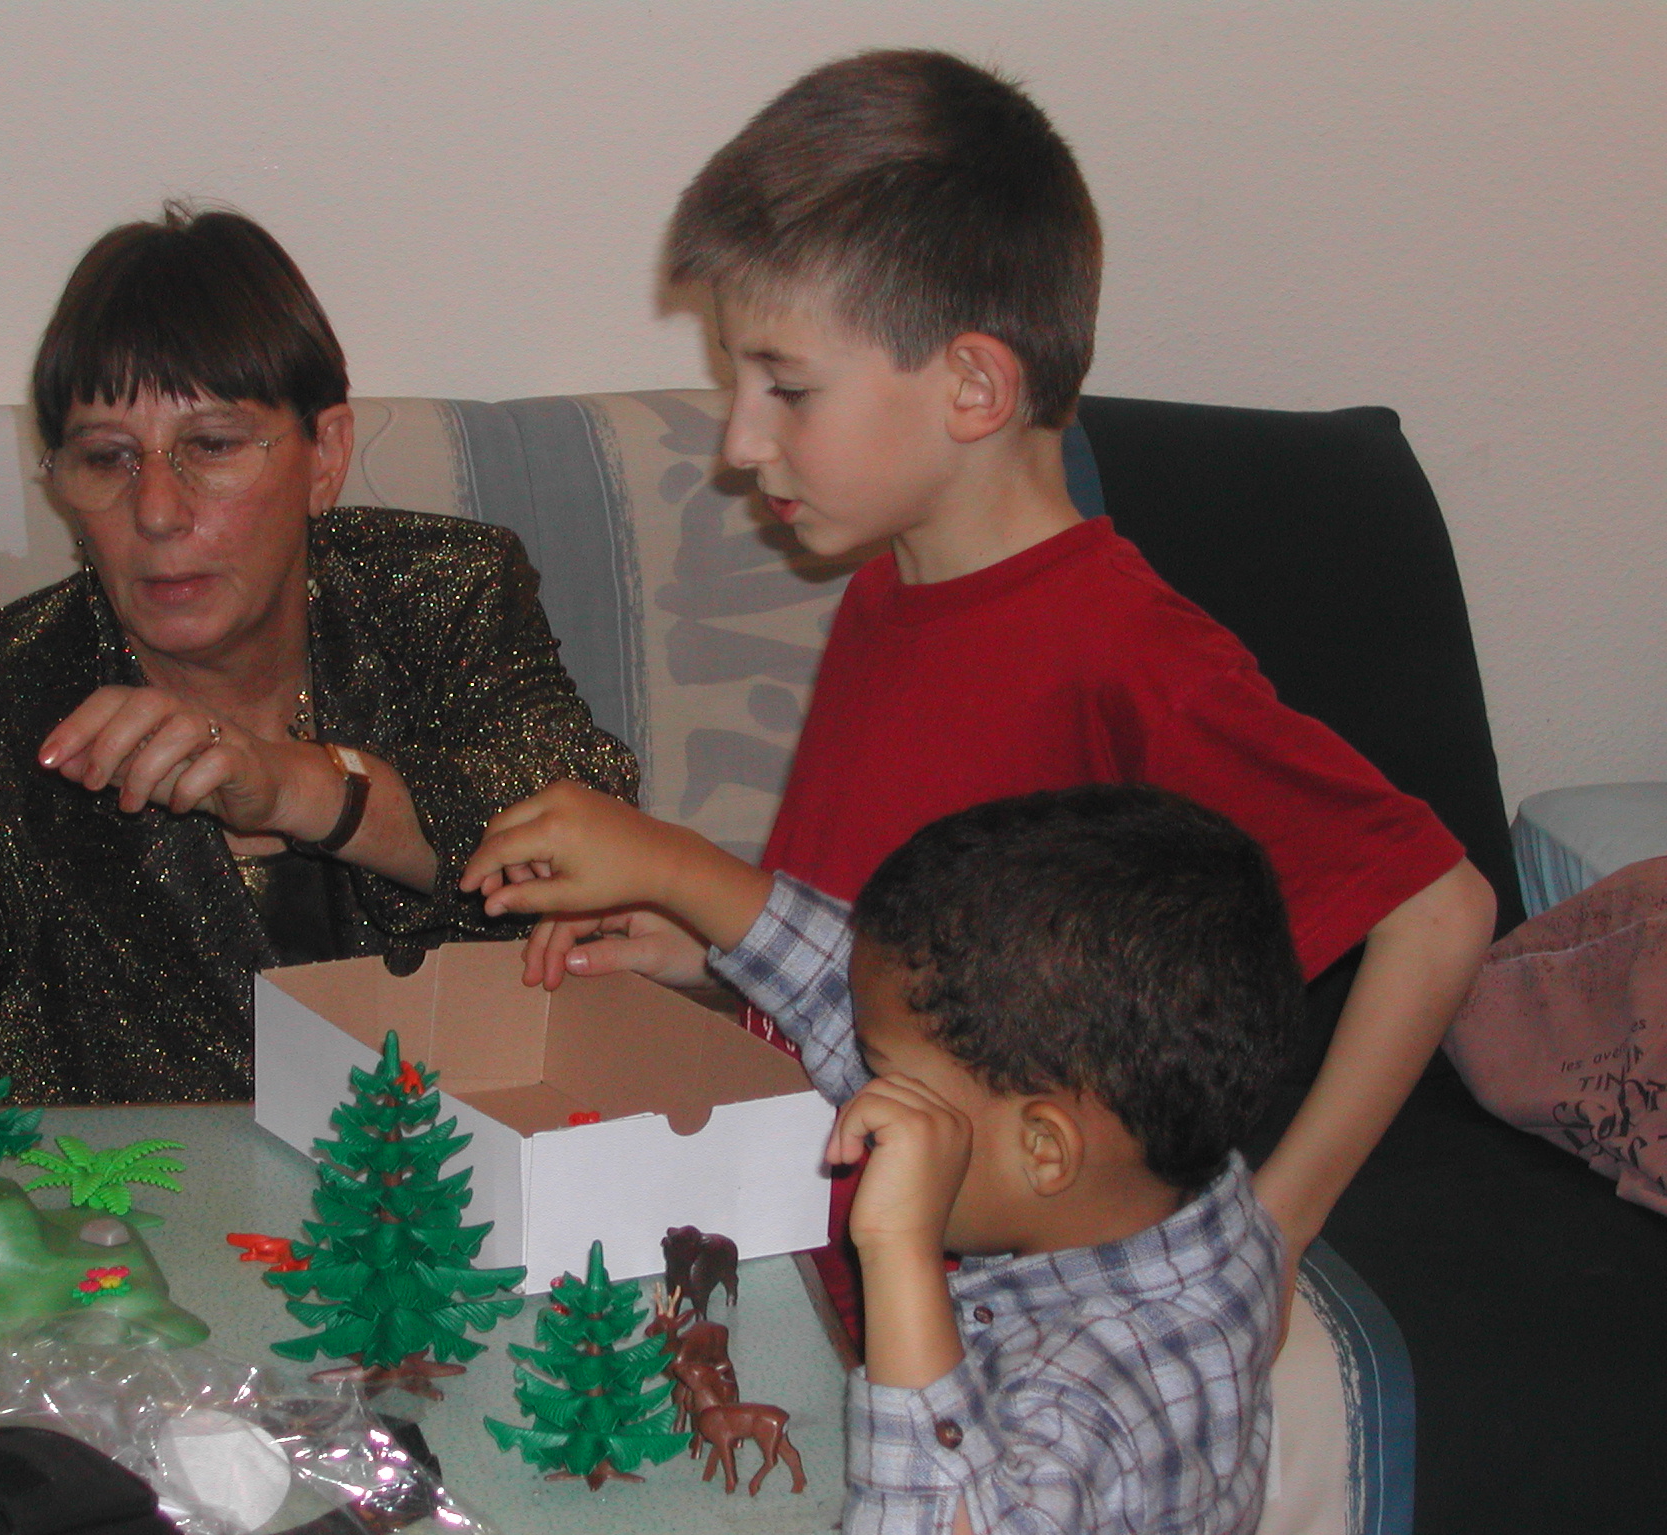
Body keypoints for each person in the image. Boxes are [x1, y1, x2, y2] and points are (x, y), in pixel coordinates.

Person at [474, 48, 1496, 1338]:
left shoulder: (1124, 651)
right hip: (830, 1271)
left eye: (786, 387)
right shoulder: (881, 594)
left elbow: (1439, 910)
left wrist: (1278, 1228)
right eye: (737, 382)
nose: (738, 441)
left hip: (998, 1348)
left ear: (972, 386)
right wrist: (703, 950)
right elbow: (881, 950)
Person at [0, 205, 636, 1137]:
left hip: (452, 1189)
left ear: (325, 455)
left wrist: (295, 784)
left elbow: (582, 820)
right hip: (130, 1213)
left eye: (212, 446)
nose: (158, 512)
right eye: (107, 458)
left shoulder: (443, 593)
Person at [469, 783, 1298, 1534]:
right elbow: (923, 1021)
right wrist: (679, 874)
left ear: (1045, 1150)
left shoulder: (1100, 1392)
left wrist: (900, 1252)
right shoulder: (1172, 1194)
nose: (867, 1098)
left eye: (888, 1080)